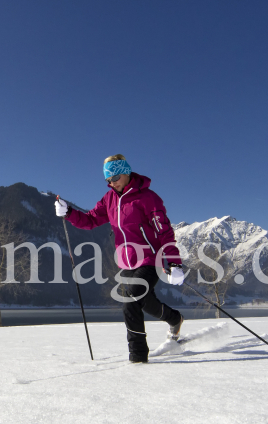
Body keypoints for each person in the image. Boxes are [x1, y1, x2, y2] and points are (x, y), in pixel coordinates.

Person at [54, 154, 184, 363]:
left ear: (126, 172)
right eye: (108, 181)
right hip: (126, 262)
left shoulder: (148, 197)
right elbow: (90, 220)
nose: (111, 183)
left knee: (132, 297)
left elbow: (165, 232)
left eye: (114, 178)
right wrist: (68, 212)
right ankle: (175, 319)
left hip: (150, 258)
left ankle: (138, 356)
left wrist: (175, 262)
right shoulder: (109, 199)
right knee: (139, 300)